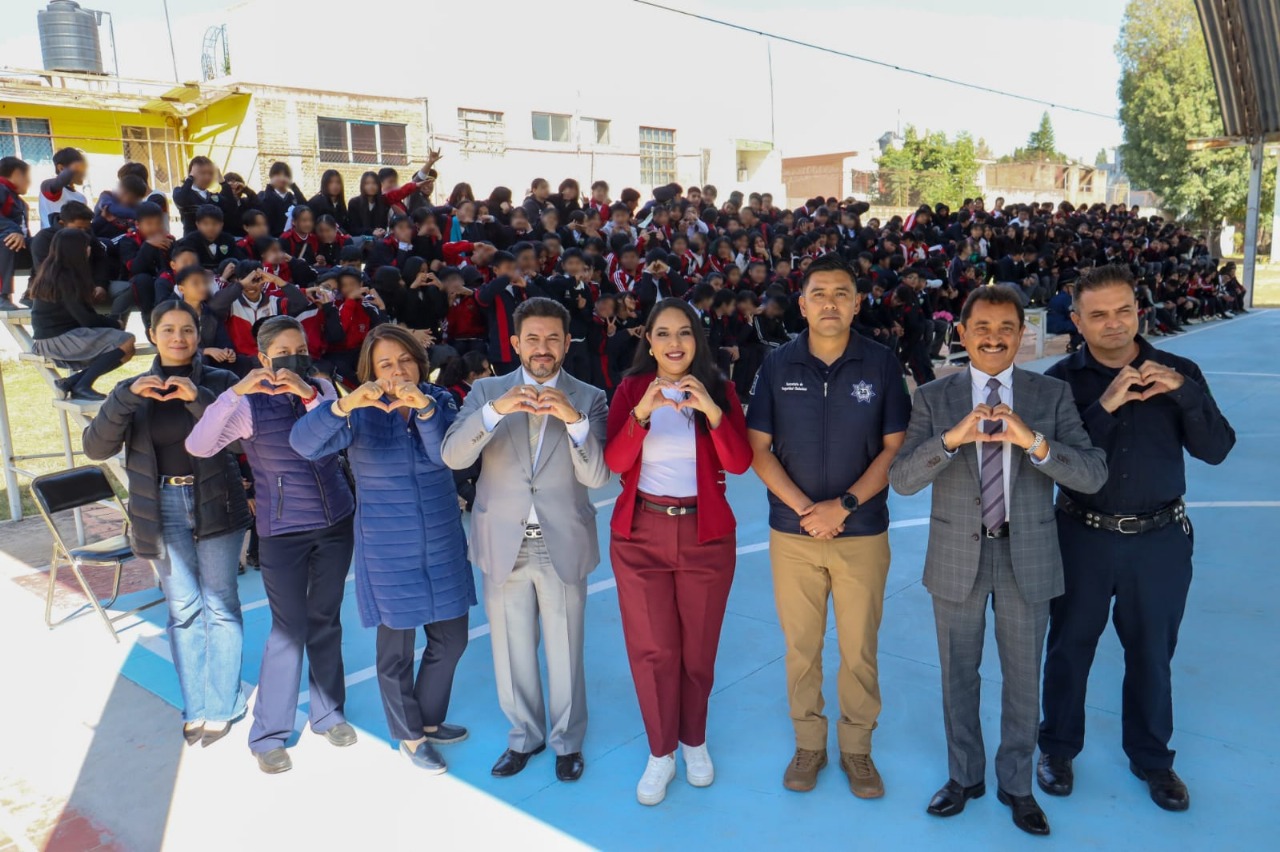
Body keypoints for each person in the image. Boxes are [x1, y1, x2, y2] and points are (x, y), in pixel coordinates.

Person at [889, 285, 1108, 837]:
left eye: (1006, 327)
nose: (993, 337)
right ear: (961, 334)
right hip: (956, 556)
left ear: (1022, 333)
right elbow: (903, 480)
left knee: (1021, 679)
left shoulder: (1049, 396)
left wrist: (1034, 443)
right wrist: (953, 438)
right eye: (981, 327)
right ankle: (964, 776)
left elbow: (1092, 473)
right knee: (957, 675)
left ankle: (1017, 784)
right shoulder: (933, 398)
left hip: (1026, 555)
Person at [1036, 265, 1235, 811]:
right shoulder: (1058, 382)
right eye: (1097, 315)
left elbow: (1217, 449)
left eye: (1123, 310)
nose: (1113, 324)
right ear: (1076, 321)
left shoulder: (1180, 370)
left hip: (1160, 540)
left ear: (1138, 309)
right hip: (1082, 535)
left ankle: (1152, 759)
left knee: (1152, 654)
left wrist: (1186, 395)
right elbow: (1052, 464)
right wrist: (1106, 406)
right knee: (1069, 647)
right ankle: (1056, 748)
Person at [746, 254, 911, 798]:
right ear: (803, 303)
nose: (831, 303)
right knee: (802, 645)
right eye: (819, 293)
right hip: (792, 535)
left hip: (861, 531)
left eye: (842, 293)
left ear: (858, 302)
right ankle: (810, 743)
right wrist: (804, 510)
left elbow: (894, 448)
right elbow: (759, 450)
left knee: (859, 646)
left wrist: (843, 505)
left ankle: (858, 750)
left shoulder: (882, 364)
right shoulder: (777, 365)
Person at [290, 324, 474, 775]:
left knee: (452, 639)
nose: (398, 371)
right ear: (370, 372)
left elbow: (446, 458)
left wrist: (427, 411)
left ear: (419, 361)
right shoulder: (358, 411)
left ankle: (428, 721)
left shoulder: (441, 400)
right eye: (385, 364)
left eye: (405, 360)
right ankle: (409, 736)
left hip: (443, 536)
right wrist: (345, 403)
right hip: (386, 544)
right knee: (397, 649)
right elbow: (304, 444)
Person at [441, 297, 609, 783]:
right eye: (532, 338)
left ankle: (567, 742)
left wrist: (574, 421)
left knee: (566, 649)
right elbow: (453, 456)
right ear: (515, 343)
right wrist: (494, 413)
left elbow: (597, 476)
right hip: (503, 539)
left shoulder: (590, 396)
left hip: (563, 540)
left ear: (567, 342)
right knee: (511, 650)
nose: (542, 348)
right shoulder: (486, 391)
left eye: (553, 338)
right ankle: (524, 737)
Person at [185, 316, 358, 775]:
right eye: (283, 352)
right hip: (283, 532)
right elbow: (201, 446)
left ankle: (328, 713)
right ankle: (268, 733)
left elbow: (339, 432)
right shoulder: (246, 405)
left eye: (299, 348)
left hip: (336, 522)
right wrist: (236, 392)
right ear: (263, 358)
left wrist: (307, 393)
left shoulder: (319, 390)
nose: (293, 358)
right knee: (288, 629)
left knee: (326, 620)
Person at [83, 301, 252, 747]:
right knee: (183, 610)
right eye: (169, 330)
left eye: (187, 330)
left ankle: (224, 703)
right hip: (160, 506)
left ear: (199, 335)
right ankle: (196, 704)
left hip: (215, 501)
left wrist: (198, 399)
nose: (179, 338)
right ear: (152, 335)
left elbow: (240, 444)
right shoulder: (130, 388)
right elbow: (96, 448)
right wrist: (124, 398)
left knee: (220, 605)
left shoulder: (220, 382)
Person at [605, 298, 752, 805]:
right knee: (654, 651)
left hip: (704, 536)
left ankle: (694, 740)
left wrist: (710, 410)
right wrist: (643, 412)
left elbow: (738, 464)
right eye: (663, 333)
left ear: (698, 340)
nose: (674, 343)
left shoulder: (721, 391)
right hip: (640, 533)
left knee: (697, 651)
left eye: (684, 333)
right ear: (648, 340)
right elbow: (615, 459)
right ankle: (661, 751)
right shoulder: (629, 390)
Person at [29, 228, 136, 401]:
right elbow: (86, 319)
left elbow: (84, 314)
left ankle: (71, 382)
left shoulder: (57, 271)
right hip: (55, 339)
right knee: (126, 340)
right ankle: (83, 385)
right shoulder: (64, 277)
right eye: (85, 246)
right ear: (74, 250)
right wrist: (115, 324)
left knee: (127, 351)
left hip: (60, 335)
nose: (89, 249)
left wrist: (111, 324)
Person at [0, 156, 31, 311]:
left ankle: (33, 292)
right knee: (8, 240)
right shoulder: (1, 188)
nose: (29, 182)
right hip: (4, 243)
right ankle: (2, 296)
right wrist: (14, 230)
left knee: (45, 244)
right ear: (18, 174)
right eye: (27, 177)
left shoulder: (20, 201)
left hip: (20, 247)